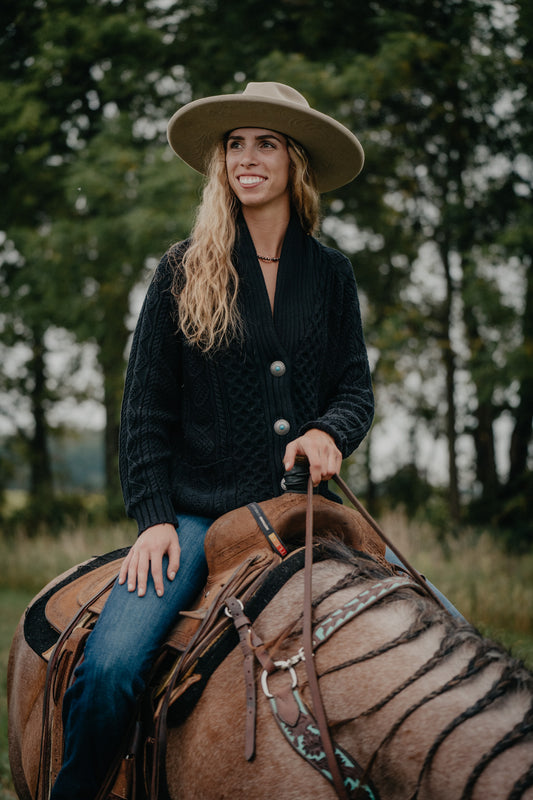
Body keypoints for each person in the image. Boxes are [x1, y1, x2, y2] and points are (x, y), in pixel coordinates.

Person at [50, 81, 453, 800]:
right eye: (235, 144)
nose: (246, 156)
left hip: (308, 513)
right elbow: (143, 413)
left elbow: (353, 391)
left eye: (265, 143)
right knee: (110, 669)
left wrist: (330, 431)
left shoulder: (330, 273)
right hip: (201, 519)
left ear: (294, 163)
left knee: (447, 633)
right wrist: (153, 522)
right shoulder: (182, 268)